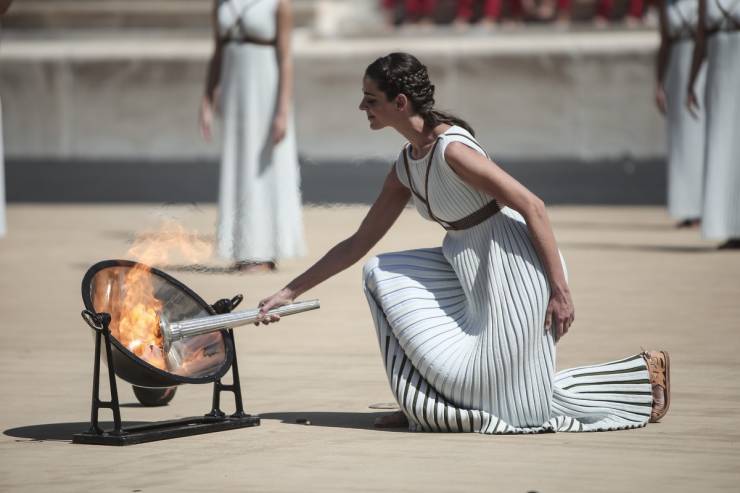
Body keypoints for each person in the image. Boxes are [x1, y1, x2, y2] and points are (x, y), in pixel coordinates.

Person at [257, 53, 670, 433]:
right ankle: (423, 403)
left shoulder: (453, 150)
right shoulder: (405, 165)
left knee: (521, 412)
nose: (362, 108)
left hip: (517, 267)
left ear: (400, 103)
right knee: (379, 273)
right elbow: (357, 244)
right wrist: (288, 293)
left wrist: (560, 291)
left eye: (370, 99)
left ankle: (637, 378)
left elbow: (533, 206)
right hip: (465, 268)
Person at [199, 0, 306, 272]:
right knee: (239, 168)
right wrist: (207, 100)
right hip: (235, 93)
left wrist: (282, 110)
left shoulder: (278, 3)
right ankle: (242, 249)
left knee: (264, 169)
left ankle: (265, 251)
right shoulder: (221, 3)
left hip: (265, 92)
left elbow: (286, 58)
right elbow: (218, 53)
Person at [687, 0, 740, 249]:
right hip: (718, 74)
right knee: (721, 148)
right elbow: (700, 40)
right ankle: (728, 226)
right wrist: (692, 80)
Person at [656, 0, 706, 228]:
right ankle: (687, 206)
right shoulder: (666, 5)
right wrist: (658, 83)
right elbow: (664, 43)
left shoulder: (701, 3)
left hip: (702, 68)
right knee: (681, 142)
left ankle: (704, 206)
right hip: (676, 66)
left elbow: (704, 38)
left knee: (701, 138)